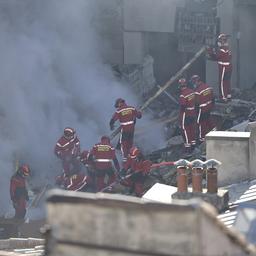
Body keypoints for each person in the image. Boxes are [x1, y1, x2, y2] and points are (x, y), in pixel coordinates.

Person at [109, 98, 142, 164]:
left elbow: (112, 120)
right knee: (130, 144)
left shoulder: (119, 111)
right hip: (132, 130)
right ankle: (132, 157)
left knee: (123, 144)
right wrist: (140, 112)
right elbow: (139, 116)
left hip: (125, 130)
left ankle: (125, 160)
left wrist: (111, 126)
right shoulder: (132, 108)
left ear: (119, 103)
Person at [207, 33, 232, 102]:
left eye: (219, 41)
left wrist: (210, 51)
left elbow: (216, 57)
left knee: (222, 82)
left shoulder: (222, 50)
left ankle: (223, 98)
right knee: (227, 81)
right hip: (229, 66)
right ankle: (228, 96)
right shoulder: (227, 48)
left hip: (223, 67)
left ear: (221, 41)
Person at [191, 75, 215, 143]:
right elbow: (213, 98)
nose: (193, 85)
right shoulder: (208, 87)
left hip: (202, 109)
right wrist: (212, 106)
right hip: (209, 107)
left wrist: (195, 111)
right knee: (208, 120)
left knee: (200, 123)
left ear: (195, 82)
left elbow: (197, 103)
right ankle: (215, 132)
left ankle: (202, 139)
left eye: (193, 83)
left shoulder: (197, 91)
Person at [178, 78, 196, 154]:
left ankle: (188, 147)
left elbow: (183, 106)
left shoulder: (182, 95)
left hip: (186, 113)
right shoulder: (192, 92)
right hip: (193, 112)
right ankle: (193, 145)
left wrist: (180, 115)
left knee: (185, 129)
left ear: (180, 85)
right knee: (192, 128)